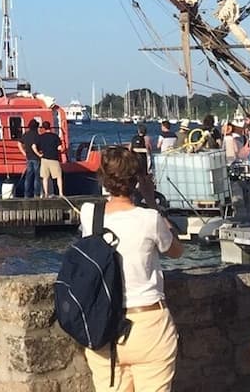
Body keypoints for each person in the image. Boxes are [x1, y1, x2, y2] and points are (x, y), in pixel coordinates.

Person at [79, 147, 186, 391]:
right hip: (148, 320)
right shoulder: (149, 219)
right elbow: (176, 250)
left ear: (103, 178)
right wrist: (151, 200)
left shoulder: (89, 215)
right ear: (137, 179)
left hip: (104, 323)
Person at [35, 122, 65, 197]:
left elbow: (35, 146)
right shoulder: (55, 136)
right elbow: (59, 148)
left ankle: (46, 193)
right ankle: (61, 193)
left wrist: (39, 154)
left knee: (45, 177)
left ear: (43, 128)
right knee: (58, 177)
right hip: (54, 159)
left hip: (44, 159)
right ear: (50, 127)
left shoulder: (40, 137)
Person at [19, 119, 43, 198]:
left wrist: (24, 153)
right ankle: (36, 194)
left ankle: (26, 194)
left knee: (28, 177)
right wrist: (39, 154)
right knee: (37, 177)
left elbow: (19, 144)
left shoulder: (25, 134)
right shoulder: (37, 135)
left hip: (28, 158)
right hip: (36, 158)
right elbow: (34, 146)